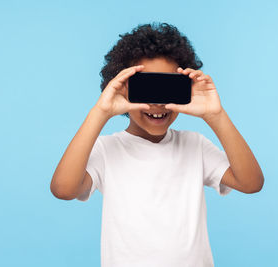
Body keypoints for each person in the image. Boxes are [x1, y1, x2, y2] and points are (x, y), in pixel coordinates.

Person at [50, 22, 264, 267]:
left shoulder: (195, 145)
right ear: (121, 89)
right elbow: (63, 189)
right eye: (147, 87)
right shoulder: (107, 149)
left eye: (168, 88)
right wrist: (100, 112)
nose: (158, 103)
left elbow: (251, 183)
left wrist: (215, 115)